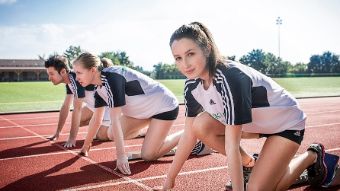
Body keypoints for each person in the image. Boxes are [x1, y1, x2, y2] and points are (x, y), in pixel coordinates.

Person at [158, 22, 330, 190]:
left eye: (191, 54)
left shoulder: (230, 78)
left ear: (207, 49)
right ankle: (250, 164)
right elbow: (189, 135)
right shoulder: (192, 85)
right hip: (255, 124)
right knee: (200, 125)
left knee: (258, 189)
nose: (185, 64)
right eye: (178, 58)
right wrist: (169, 180)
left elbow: (231, 145)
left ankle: (311, 156)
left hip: (285, 124)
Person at [73, 52, 209, 175]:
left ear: (92, 70)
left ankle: (192, 131)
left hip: (163, 106)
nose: (76, 77)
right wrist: (85, 147)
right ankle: (152, 134)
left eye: (79, 72)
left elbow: (115, 119)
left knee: (148, 156)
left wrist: (121, 156)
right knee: (112, 133)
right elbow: (96, 119)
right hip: (141, 112)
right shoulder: (99, 88)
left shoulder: (112, 78)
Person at [44, 55, 111, 147]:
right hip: (93, 107)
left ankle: (135, 130)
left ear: (63, 71)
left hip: (106, 108)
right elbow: (65, 107)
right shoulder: (68, 81)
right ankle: (99, 124)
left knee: (100, 136)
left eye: (51, 74)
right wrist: (57, 133)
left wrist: (72, 139)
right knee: (77, 121)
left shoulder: (76, 79)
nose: (49, 78)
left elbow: (77, 109)